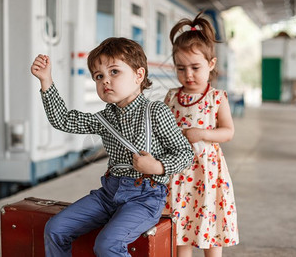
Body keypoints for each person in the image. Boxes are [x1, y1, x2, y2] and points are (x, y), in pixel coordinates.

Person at [30, 37, 194, 257]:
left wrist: (157, 166)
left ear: (139, 75)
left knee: (107, 245)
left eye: (114, 72)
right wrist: (46, 81)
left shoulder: (155, 112)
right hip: (109, 193)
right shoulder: (103, 118)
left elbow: (185, 153)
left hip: (145, 198)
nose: (105, 81)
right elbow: (64, 120)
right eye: (99, 76)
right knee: (55, 228)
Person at [164, 12, 239, 257]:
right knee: (181, 225)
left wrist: (202, 134)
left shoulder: (217, 98)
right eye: (181, 68)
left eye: (195, 67)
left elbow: (227, 132)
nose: (188, 75)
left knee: (210, 220)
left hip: (207, 172)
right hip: (179, 174)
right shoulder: (172, 97)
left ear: (211, 64)